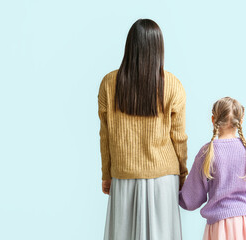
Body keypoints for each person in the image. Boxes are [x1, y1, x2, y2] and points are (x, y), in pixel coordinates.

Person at [98, 19, 188, 240]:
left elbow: (105, 134)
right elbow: (179, 137)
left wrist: (107, 174)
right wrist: (183, 175)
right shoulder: (173, 84)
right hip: (164, 179)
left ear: (130, 46)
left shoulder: (109, 83)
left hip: (123, 174)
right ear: (159, 48)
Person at [179, 97, 246, 240]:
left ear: (213, 119)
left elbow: (190, 200)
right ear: (241, 121)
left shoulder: (207, 153)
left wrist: (172, 187)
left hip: (222, 226)